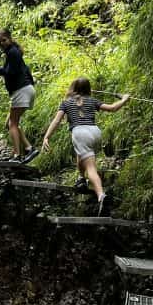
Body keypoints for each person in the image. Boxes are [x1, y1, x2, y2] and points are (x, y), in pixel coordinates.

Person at [41, 77, 129, 216]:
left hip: (80, 133)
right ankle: (81, 178)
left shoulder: (66, 103)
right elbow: (112, 108)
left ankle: (101, 195)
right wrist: (124, 99)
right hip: (95, 132)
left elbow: (57, 120)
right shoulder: (92, 101)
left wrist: (46, 137)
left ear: (73, 88)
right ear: (88, 89)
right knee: (81, 153)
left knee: (91, 168)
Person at [0, 29, 38, 163]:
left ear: (9, 38)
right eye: (0, 42)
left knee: (12, 124)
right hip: (26, 90)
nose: (2, 43)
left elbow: (9, 73)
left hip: (22, 90)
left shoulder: (13, 53)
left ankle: (17, 155)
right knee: (11, 123)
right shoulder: (14, 52)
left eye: (4, 40)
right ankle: (28, 148)